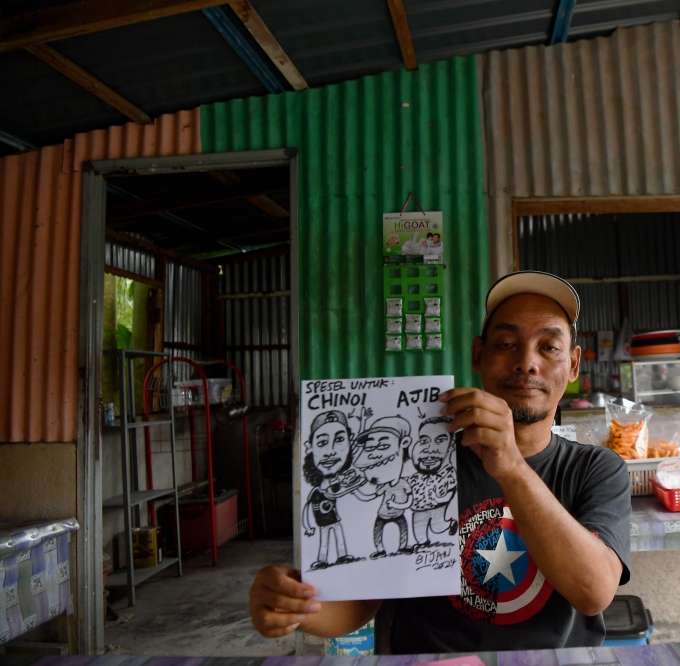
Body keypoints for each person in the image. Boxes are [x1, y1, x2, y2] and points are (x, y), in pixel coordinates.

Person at [249, 271, 631, 652]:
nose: (527, 363)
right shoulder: (423, 459)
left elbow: (593, 592)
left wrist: (511, 467)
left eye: (549, 347)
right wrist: (292, 607)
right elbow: (360, 604)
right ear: (478, 354)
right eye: (506, 343)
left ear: (574, 364)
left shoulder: (597, 469)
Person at [301, 410, 365, 569]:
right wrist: (307, 526)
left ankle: (342, 556)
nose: (330, 451)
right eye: (322, 442)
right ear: (309, 447)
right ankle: (322, 560)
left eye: (340, 439)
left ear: (351, 442)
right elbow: (307, 508)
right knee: (324, 541)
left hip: (335, 520)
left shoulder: (347, 479)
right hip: (322, 522)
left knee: (338, 536)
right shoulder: (315, 491)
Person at [351, 416, 415, 559]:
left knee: (403, 529)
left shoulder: (405, 483)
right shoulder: (383, 485)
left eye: (383, 445)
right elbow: (368, 496)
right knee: (377, 531)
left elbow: (410, 501)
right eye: (370, 447)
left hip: (399, 514)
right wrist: (354, 489)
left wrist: (397, 504)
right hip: (382, 514)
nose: (374, 453)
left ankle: (403, 546)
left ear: (404, 443)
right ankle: (380, 549)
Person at [407, 416, 458, 547]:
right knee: (418, 527)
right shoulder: (420, 470)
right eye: (424, 441)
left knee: (437, 526)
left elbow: (451, 490)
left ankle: (450, 524)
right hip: (418, 506)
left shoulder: (449, 473)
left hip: (437, 505)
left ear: (452, 445)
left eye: (440, 440)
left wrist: (440, 498)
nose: (431, 448)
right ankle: (423, 543)